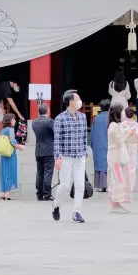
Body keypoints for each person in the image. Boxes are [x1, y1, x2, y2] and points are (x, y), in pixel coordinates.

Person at [52, 89, 88, 224]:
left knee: (80, 185)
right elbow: (57, 139)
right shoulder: (60, 118)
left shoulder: (83, 117)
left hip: (79, 155)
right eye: (77, 99)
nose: (80, 101)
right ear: (71, 102)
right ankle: (56, 205)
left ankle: (76, 212)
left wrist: (85, 152)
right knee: (65, 186)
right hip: (66, 156)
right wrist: (57, 157)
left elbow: (84, 136)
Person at [107, 103, 135, 212]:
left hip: (118, 155)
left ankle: (117, 204)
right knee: (116, 178)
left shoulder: (116, 125)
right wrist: (128, 134)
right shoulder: (114, 125)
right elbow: (119, 141)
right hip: (115, 155)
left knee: (119, 178)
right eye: (122, 111)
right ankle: (115, 204)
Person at [32, 103, 55, 201]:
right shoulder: (49, 121)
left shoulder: (34, 122)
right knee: (48, 173)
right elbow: (56, 133)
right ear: (47, 111)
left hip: (38, 150)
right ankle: (47, 194)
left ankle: (39, 194)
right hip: (49, 150)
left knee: (39, 173)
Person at [0, 113, 25, 200]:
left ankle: (2, 193)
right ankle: (7, 193)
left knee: (4, 172)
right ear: (10, 121)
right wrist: (20, 147)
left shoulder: (3, 130)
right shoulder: (10, 130)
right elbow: (13, 142)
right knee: (10, 172)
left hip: (3, 153)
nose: (15, 121)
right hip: (10, 154)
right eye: (13, 119)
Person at [121, 106, 138, 198]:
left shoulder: (122, 125)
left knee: (124, 166)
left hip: (125, 146)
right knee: (132, 167)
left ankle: (125, 185)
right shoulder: (137, 125)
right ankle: (131, 185)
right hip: (133, 146)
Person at [90, 99, 110, 192]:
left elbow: (92, 134)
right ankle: (105, 185)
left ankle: (98, 184)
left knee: (98, 164)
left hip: (97, 145)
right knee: (106, 164)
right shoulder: (110, 118)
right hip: (107, 143)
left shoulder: (96, 119)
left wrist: (92, 144)